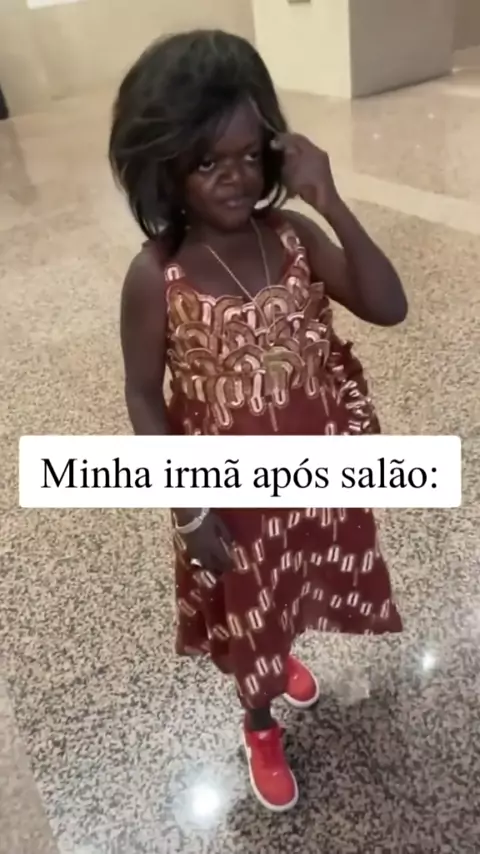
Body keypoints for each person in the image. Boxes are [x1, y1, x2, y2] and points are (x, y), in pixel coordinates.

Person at [109, 29, 407, 813]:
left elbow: (389, 306)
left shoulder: (293, 239)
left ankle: (280, 659)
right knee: (252, 620)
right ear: (166, 167)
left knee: (290, 593)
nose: (236, 177)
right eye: (208, 162)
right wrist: (190, 508)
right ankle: (260, 721)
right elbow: (143, 395)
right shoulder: (157, 276)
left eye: (249, 153)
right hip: (230, 501)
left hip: (312, 481)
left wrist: (330, 200)